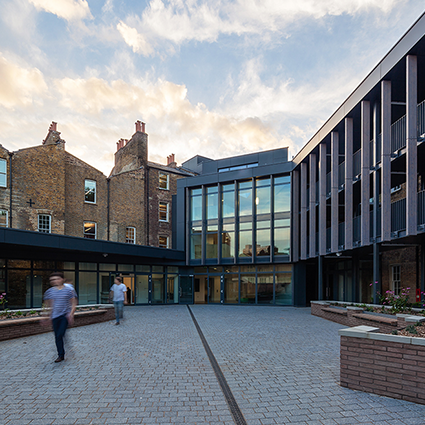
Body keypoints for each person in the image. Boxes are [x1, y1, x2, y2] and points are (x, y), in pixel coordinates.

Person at [43, 272, 77, 363]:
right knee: (57, 337)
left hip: (64, 316)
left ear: (62, 279)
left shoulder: (68, 290)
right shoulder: (49, 291)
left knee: (59, 335)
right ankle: (60, 355)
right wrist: (47, 316)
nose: (54, 281)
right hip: (55, 317)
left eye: (56, 279)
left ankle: (61, 354)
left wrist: (71, 314)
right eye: (52, 280)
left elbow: (73, 303)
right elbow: (48, 304)